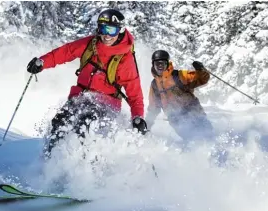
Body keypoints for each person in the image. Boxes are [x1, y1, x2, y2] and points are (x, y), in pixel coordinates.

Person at [26, 9, 148, 155]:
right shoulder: (91, 44)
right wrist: (42, 62)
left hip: (106, 104)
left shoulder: (124, 59)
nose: (106, 35)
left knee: (85, 126)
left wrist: (138, 117)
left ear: (120, 30)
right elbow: (66, 52)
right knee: (59, 122)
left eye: (111, 30)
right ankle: (50, 160)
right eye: (103, 29)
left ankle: (85, 169)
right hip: (81, 96)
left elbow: (134, 93)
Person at [145, 50, 214, 141]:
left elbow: (201, 79)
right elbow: (153, 108)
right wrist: (146, 125)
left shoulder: (179, 75)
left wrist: (201, 70)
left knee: (208, 135)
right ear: (153, 65)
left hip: (193, 111)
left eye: (163, 64)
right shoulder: (155, 85)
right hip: (176, 119)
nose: (160, 67)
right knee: (192, 140)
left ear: (167, 64)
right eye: (157, 64)